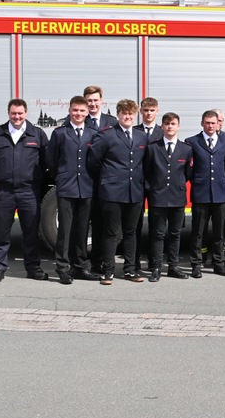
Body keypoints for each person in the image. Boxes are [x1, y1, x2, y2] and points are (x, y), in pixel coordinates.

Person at [0, 98, 48, 283]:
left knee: (30, 232)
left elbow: (45, 160)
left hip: (29, 191)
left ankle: (33, 267)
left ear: (26, 113)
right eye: (14, 113)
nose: (17, 116)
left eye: (20, 113)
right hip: (4, 191)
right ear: (8, 113)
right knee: (2, 232)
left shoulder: (37, 134)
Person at [88, 99, 149, 284]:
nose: (128, 116)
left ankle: (130, 270)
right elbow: (93, 161)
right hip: (112, 192)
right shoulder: (106, 135)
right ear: (118, 115)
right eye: (124, 113)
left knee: (131, 232)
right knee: (111, 233)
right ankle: (108, 271)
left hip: (134, 192)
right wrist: (109, 178)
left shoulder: (141, 136)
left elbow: (144, 163)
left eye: (131, 113)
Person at [46, 96, 98, 284]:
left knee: (82, 230)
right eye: (75, 110)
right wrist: (60, 177)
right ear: (70, 111)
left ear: (87, 113)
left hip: (86, 186)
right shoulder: (60, 133)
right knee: (65, 230)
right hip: (67, 187)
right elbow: (51, 160)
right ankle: (62, 267)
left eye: (82, 111)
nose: (78, 114)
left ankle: (80, 267)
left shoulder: (93, 134)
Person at [144, 112, 191, 282]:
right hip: (158, 197)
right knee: (157, 234)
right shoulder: (153, 148)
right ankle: (156, 267)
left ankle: (173, 266)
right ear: (162, 126)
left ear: (178, 126)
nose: (170, 127)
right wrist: (154, 188)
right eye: (167, 124)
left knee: (175, 233)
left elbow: (187, 174)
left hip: (177, 197)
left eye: (173, 124)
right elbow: (147, 172)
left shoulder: (186, 149)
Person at [186, 109, 225, 278]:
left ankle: (218, 263)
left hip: (220, 193)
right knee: (198, 232)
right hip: (201, 193)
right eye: (208, 123)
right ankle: (196, 264)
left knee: (219, 232)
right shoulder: (192, 142)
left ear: (218, 124)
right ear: (202, 123)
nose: (211, 126)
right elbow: (189, 170)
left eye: (213, 123)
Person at [83, 84, 117, 272]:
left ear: (102, 101)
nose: (93, 104)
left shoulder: (111, 121)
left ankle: (104, 261)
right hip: (87, 180)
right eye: (89, 101)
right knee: (87, 223)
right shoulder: (79, 119)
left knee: (105, 225)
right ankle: (89, 263)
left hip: (109, 181)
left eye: (96, 100)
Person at [135, 96, 162, 271]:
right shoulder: (135, 130)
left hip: (156, 185)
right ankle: (135, 261)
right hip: (136, 184)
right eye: (146, 110)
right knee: (135, 225)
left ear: (157, 111)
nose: (149, 113)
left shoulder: (163, 131)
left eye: (152, 110)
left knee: (156, 225)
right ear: (141, 111)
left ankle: (154, 262)